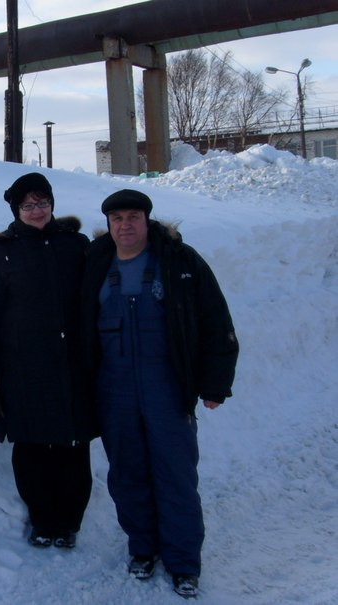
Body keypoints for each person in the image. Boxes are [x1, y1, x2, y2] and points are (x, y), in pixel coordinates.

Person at [80, 189, 238, 598]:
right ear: (109, 225)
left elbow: (215, 321)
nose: (126, 225)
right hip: (115, 389)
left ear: (147, 221)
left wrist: (214, 383)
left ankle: (184, 562)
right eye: (117, 219)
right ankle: (143, 548)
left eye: (134, 216)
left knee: (176, 476)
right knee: (128, 474)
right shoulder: (95, 264)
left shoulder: (180, 262)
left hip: (166, 386)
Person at [0, 172, 95, 549]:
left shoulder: (76, 245)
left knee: (74, 447)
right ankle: (43, 521)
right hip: (23, 368)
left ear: (52, 205)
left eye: (42, 203)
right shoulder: (0, 253)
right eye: (28, 205)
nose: (37, 210)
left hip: (73, 364)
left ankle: (69, 522)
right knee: (32, 448)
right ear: (16, 209)